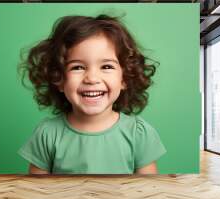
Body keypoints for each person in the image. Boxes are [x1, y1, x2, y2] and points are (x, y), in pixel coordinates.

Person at [18, 14, 166, 174]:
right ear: (59, 79)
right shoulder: (47, 133)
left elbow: (147, 190)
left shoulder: (139, 133)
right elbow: (37, 191)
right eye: (77, 67)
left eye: (107, 67)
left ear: (125, 78)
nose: (92, 78)